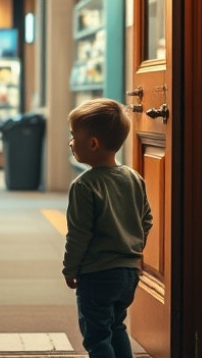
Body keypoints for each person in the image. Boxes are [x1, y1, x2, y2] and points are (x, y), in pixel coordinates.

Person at [62, 98, 153, 358]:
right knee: (116, 325)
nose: (70, 142)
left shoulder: (84, 185)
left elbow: (78, 235)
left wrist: (70, 268)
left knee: (97, 336)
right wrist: (132, 247)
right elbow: (147, 219)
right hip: (129, 272)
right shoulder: (133, 177)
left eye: (73, 136)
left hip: (97, 274)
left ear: (92, 143)